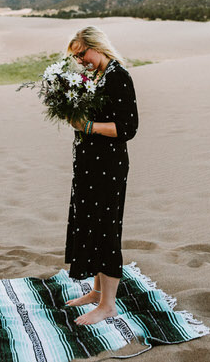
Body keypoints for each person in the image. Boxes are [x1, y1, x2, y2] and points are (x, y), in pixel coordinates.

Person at [64, 26, 139, 325]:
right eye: (76, 57)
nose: (80, 61)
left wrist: (88, 127)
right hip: (88, 164)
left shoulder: (119, 77)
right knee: (91, 223)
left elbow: (127, 128)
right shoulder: (95, 76)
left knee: (106, 227)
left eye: (82, 54)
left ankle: (108, 304)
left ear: (97, 46)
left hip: (108, 165)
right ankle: (96, 291)